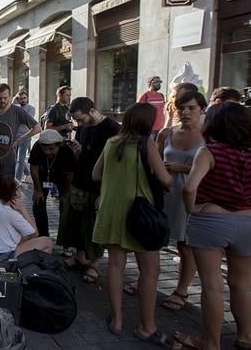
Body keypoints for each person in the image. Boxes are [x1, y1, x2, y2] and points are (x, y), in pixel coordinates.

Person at [92, 103, 173, 345]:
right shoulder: (146, 144)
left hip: (112, 212)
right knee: (149, 272)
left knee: (116, 265)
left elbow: (95, 174)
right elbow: (166, 179)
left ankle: (117, 320)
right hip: (141, 216)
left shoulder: (111, 143)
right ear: (148, 123)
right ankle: (147, 326)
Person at [173, 102, 251, 350]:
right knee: (241, 284)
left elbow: (189, 187)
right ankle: (245, 337)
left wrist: (191, 209)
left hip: (211, 221)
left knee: (212, 285)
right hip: (247, 221)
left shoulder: (209, 152)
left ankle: (210, 342)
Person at [56, 97, 120, 284]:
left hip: (99, 186)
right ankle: (79, 256)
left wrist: (105, 193)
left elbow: (115, 165)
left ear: (92, 111)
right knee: (75, 222)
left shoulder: (112, 129)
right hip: (80, 182)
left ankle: (93, 263)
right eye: (76, 121)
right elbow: (81, 157)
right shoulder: (82, 128)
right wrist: (77, 150)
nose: (79, 124)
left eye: (80, 119)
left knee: (93, 225)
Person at [154, 90, 206, 311]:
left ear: (202, 109)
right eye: (180, 108)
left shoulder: (209, 136)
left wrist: (182, 168)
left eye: (191, 108)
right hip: (166, 195)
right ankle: (145, 280)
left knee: (186, 246)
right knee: (153, 241)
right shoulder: (166, 133)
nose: (185, 112)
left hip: (192, 196)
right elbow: (154, 161)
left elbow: (214, 169)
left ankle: (181, 290)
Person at [0, 83, 41, 177]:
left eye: (5, 98)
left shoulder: (18, 111)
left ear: (10, 97)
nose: (2, 100)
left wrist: (19, 140)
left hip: (8, 158)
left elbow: (37, 128)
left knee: (6, 188)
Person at [0, 174, 54, 261]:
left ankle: (35, 268)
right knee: (47, 242)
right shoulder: (11, 213)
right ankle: (31, 269)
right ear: (14, 193)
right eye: (18, 187)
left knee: (44, 248)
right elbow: (35, 233)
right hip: (7, 253)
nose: (20, 189)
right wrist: (23, 210)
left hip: (0, 247)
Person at [28, 129, 75, 238]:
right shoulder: (37, 147)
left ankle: (64, 239)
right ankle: (43, 235)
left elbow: (69, 174)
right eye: (45, 148)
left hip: (62, 176)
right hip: (43, 176)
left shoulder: (66, 150)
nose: (48, 152)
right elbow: (34, 168)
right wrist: (37, 190)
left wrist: (65, 193)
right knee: (38, 203)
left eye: (51, 149)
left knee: (65, 206)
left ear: (58, 145)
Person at [14, 90, 36, 182]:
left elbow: (26, 120)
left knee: (20, 159)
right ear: (18, 99)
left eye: (24, 98)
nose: (23, 100)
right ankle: (28, 173)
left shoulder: (31, 108)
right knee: (15, 159)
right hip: (14, 137)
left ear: (27, 98)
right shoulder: (15, 107)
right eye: (20, 99)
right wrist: (13, 101)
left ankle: (17, 180)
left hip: (25, 136)